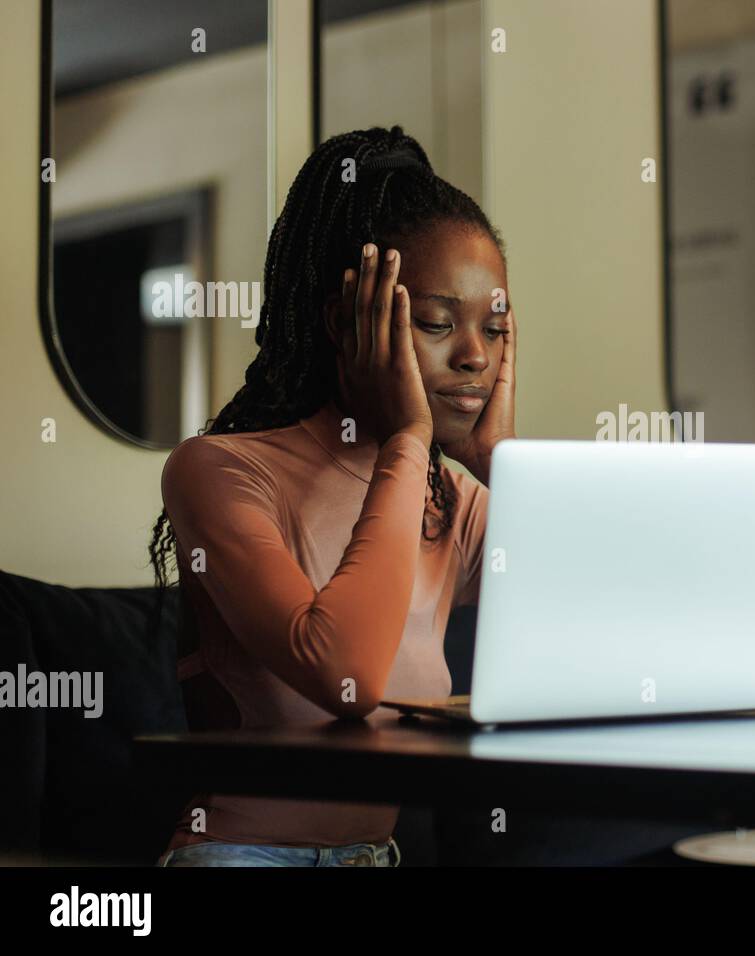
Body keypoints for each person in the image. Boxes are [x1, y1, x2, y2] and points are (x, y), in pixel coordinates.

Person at [148, 125, 514, 866]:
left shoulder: (451, 501)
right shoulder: (218, 472)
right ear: (349, 324)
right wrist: (410, 438)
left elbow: (608, 614)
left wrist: (498, 461)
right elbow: (342, 673)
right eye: (439, 323)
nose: (475, 355)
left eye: (495, 327)